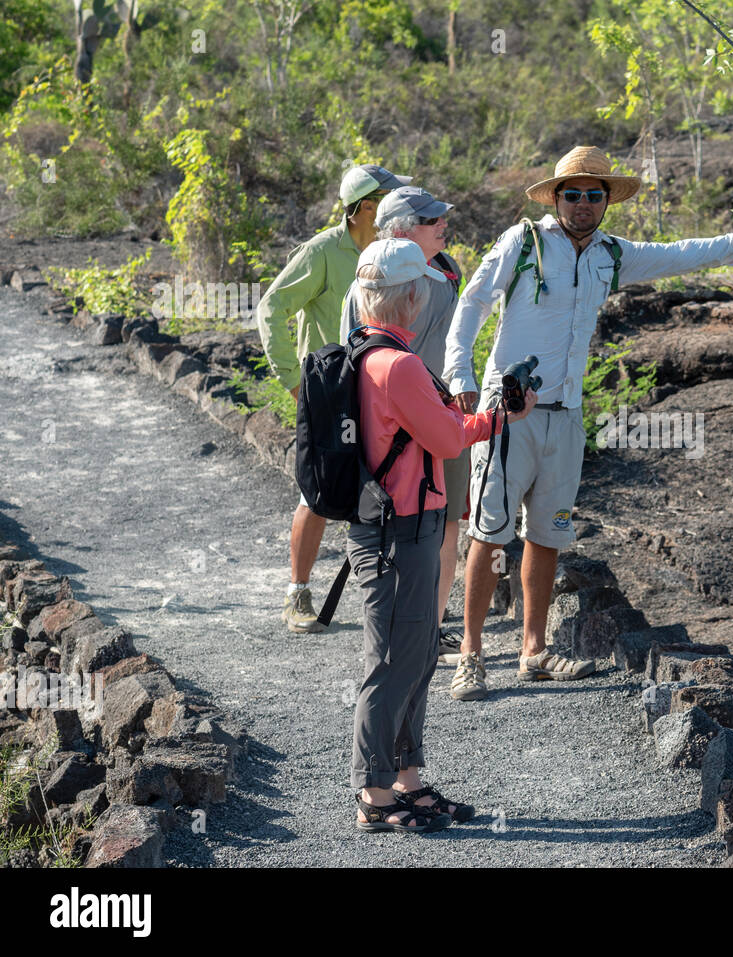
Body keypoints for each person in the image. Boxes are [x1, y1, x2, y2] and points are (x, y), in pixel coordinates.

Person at [442, 145, 733, 701]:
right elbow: (473, 302)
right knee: (489, 532)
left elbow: (681, 253)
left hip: (566, 414)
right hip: (508, 410)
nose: (583, 203)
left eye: (594, 194)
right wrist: (459, 373)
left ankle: (533, 653)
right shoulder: (525, 242)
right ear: (556, 197)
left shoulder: (612, 253)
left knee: (547, 532)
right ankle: (471, 655)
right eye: (573, 194)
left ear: (607, 200)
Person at [346, 237, 536, 831]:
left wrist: (478, 416)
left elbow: (436, 426)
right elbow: (450, 440)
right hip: (401, 531)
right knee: (397, 661)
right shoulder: (398, 364)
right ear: (411, 297)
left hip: (390, 526)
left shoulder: (364, 353)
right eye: (423, 290)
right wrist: (502, 416)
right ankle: (375, 794)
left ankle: (407, 778)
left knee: (416, 653)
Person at [254, 164, 411, 634]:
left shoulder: (394, 253)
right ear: (366, 207)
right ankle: (297, 594)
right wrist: (294, 380)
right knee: (319, 492)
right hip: (330, 395)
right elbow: (271, 308)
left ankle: (391, 596)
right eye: (386, 200)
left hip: (382, 391)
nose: (395, 208)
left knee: (389, 487)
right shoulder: (323, 251)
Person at [338, 186, 468, 662]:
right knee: (395, 527)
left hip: (442, 413)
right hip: (393, 421)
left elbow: (459, 345)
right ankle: (397, 634)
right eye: (430, 219)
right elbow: (351, 355)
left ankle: (428, 630)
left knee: (448, 522)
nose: (442, 223)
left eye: (440, 217)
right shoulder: (368, 284)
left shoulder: (450, 270)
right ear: (400, 230)